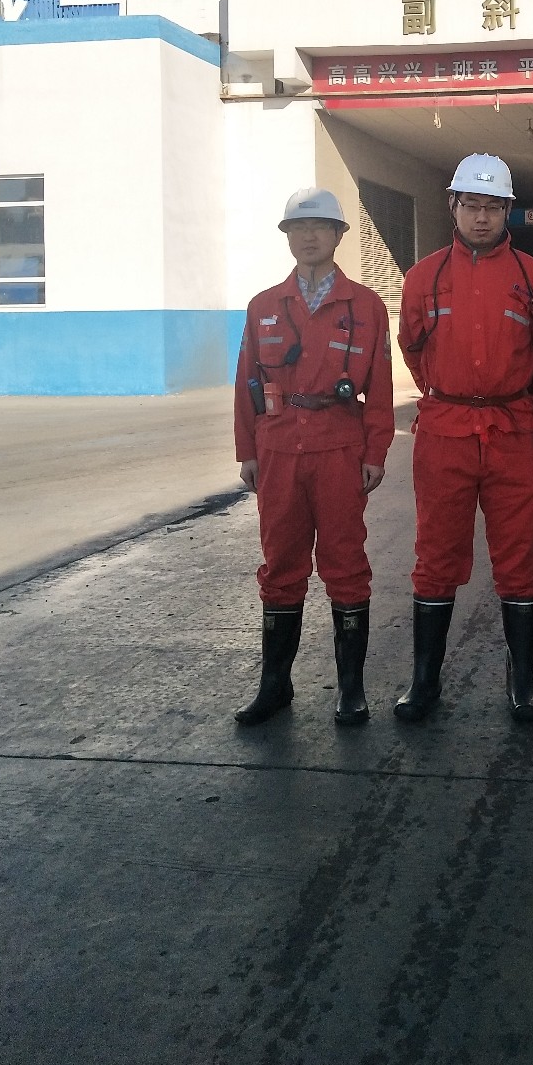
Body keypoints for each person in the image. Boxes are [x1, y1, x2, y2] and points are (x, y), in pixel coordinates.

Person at [395, 155, 533, 723]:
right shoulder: (424, 277)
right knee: (435, 556)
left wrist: (516, 404)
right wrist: (451, 394)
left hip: (512, 431)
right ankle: (424, 682)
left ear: (508, 209)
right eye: (472, 206)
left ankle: (522, 682)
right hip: (445, 432)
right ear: (453, 206)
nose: (482, 217)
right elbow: (413, 348)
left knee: (519, 557)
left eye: (493, 207)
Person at [233, 187, 395, 728]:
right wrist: (247, 450)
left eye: (320, 226)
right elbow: (246, 384)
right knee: (280, 565)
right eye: (298, 228)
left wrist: (376, 451)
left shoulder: (366, 307)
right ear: (287, 236)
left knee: (346, 565)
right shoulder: (263, 306)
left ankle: (351, 690)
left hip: (339, 450)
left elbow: (380, 389)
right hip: (278, 449)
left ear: (339, 235)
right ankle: (274, 686)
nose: (308, 236)